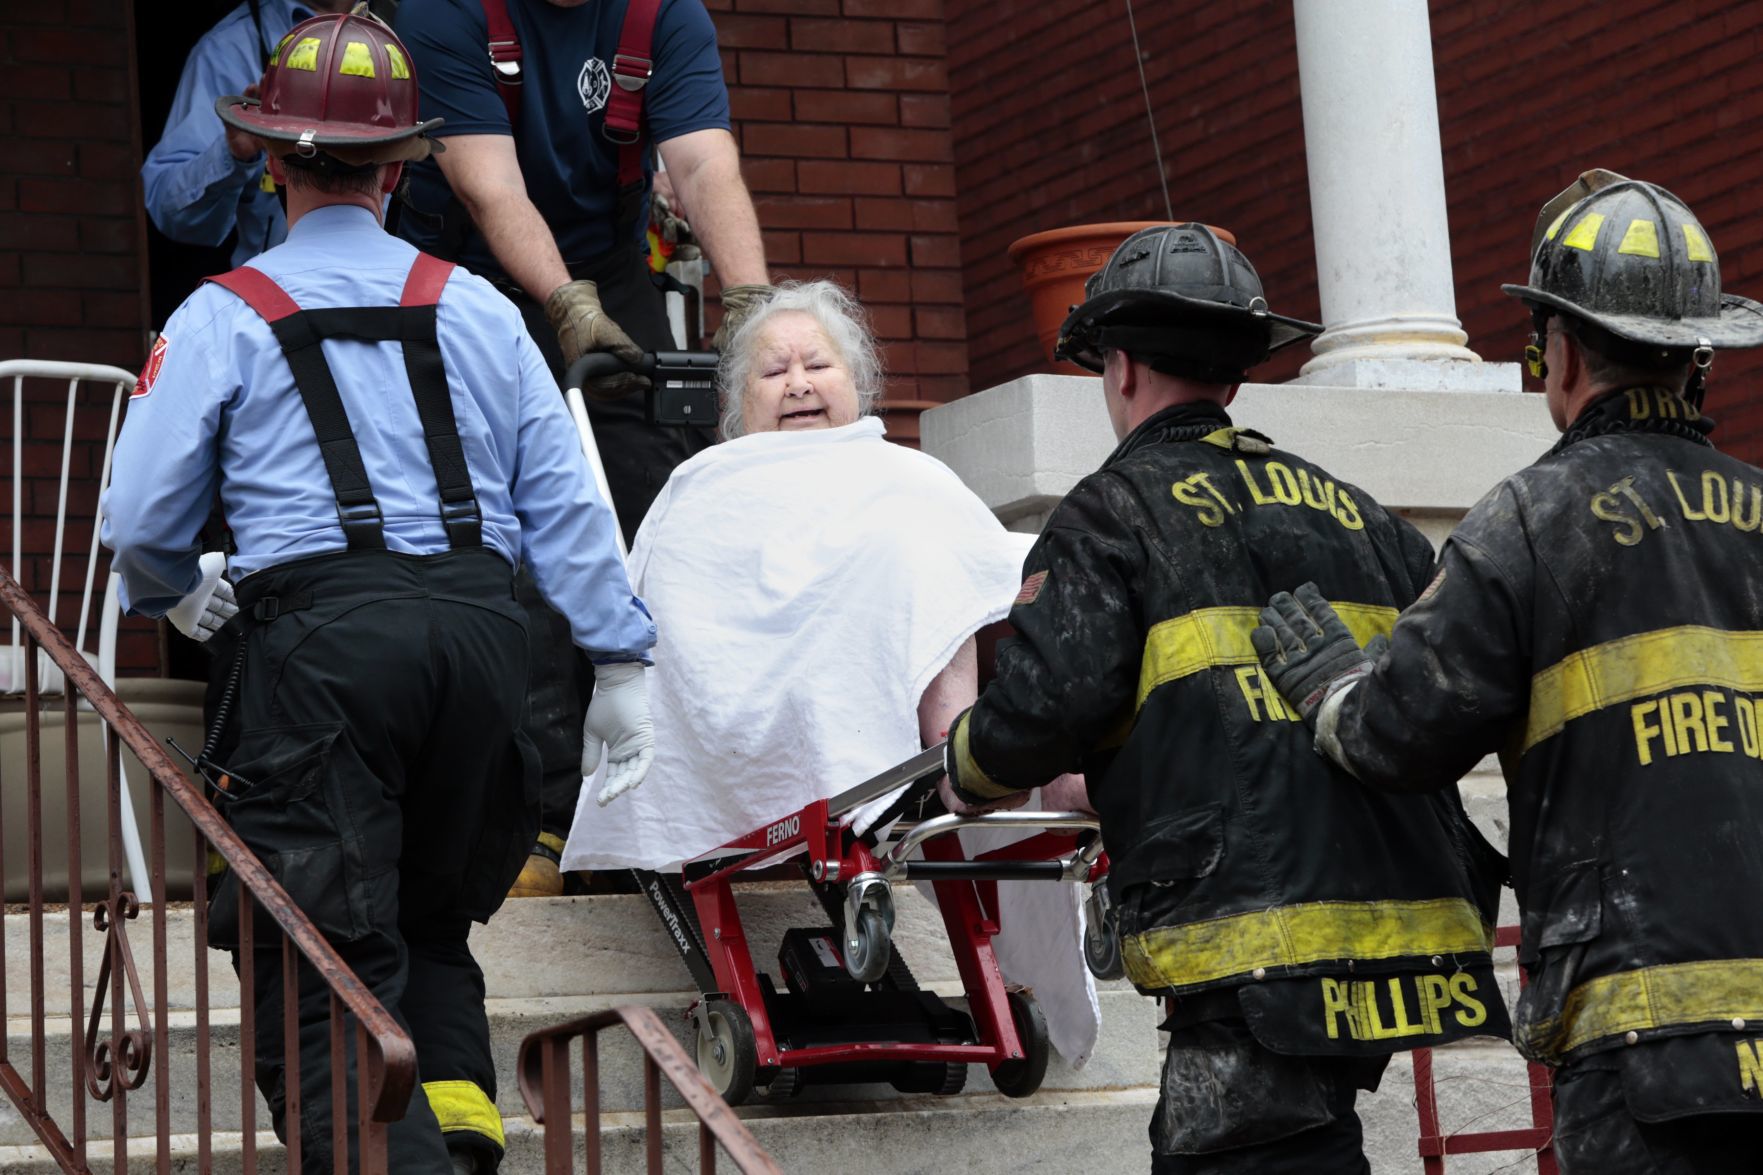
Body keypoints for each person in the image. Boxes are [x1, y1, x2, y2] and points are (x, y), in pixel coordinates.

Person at [101, 12, 657, 1173]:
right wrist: (617, 664)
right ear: (402, 170)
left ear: (269, 157)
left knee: (311, 968)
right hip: (485, 651)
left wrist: (183, 591)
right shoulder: (483, 311)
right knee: (427, 929)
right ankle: (455, 1148)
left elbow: (143, 526)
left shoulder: (221, 315)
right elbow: (567, 509)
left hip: (320, 655)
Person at [940, 224, 1510, 1174]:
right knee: (1305, 1141)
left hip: (1244, 936)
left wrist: (966, 766)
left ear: (1117, 369)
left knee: (1241, 1154)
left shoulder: (1109, 514)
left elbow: (1046, 704)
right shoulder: (1361, 513)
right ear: (1238, 377)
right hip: (1396, 921)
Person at [1252, 172, 1763, 1174]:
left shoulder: (1532, 520)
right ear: (1696, 355)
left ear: (1559, 350)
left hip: (1642, 1045)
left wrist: (1327, 687)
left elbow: (1393, 732)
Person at [560, 281, 1101, 1064]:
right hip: (767, 707)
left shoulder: (901, 472)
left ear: (857, 386)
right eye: (773, 372)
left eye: (818, 364)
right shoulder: (705, 486)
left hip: (902, 706)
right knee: (908, 553)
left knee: (964, 553)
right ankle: (965, 750)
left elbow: (980, 569)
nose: (799, 382)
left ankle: (1018, 748)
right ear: (739, 403)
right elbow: (682, 627)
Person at [392, 0, 770, 896]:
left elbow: (703, 159)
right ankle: (538, 820)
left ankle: (664, 806)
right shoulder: (442, 13)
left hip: (609, 273)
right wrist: (564, 306)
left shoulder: (663, 16)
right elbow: (492, 188)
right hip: (465, 281)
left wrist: (754, 308)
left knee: (653, 511)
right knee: (510, 544)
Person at [142, 0, 354, 271]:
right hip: (280, 296)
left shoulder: (407, 28)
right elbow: (171, 211)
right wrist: (233, 156)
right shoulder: (228, 47)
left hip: (400, 297)